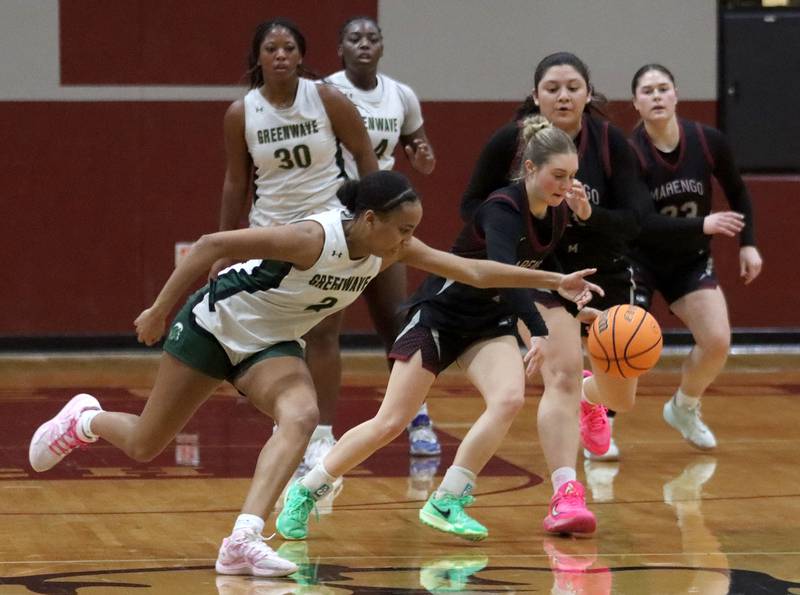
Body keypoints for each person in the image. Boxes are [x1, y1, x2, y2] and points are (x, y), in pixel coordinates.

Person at [28, 170, 601, 576]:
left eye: (413, 232)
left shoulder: (389, 248)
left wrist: (555, 282)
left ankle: (243, 539)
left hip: (272, 343)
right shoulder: (311, 237)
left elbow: (475, 270)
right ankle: (87, 420)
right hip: (214, 325)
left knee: (300, 417)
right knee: (148, 444)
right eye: (401, 229)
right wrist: (158, 310)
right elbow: (207, 246)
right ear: (370, 219)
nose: (408, 241)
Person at [274, 116, 604, 542]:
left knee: (507, 399)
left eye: (572, 176)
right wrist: (538, 327)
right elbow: (504, 273)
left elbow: (535, 270)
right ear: (529, 170)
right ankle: (307, 489)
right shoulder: (501, 209)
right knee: (391, 421)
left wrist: (568, 303)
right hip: (441, 315)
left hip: (488, 322)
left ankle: (449, 499)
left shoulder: (556, 215)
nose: (565, 185)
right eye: (558, 175)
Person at [459, 52, 654, 526]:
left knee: (620, 395)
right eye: (552, 87)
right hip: (539, 268)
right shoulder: (510, 142)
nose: (563, 95)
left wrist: (589, 217)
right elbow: (471, 205)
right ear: (535, 96)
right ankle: (567, 494)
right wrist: (511, 231)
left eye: (572, 87)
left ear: (589, 94)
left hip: (600, 271)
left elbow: (637, 221)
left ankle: (594, 398)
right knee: (561, 374)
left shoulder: (610, 143)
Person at [212, 18, 378, 475]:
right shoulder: (241, 112)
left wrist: (374, 212)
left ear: (301, 55)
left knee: (325, 332)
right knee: (274, 335)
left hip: (329, 230)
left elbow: (364, 154)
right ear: (259, 57)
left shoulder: (325, 98)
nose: (281, 55)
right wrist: (226, 246)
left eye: (289, 47)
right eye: (272, 48)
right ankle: (288, 422)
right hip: (271, 233)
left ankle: (322, 436)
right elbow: (235, 181)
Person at [629, 63, 762, 449]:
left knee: (718, 341)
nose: (656, 96)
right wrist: (704, 224)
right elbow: (642, 222)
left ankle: (684, 406)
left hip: (688, 261)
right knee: (626, 345)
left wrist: (748, 243)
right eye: (647, 91)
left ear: (675, 95)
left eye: (663, 88)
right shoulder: (630, 153)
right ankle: (602, 419)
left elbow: (738, 192)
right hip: (640, 260)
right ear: (636, 103)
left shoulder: (707, 141)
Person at [326, 15, 440, 457]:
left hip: (385, 221)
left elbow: (421, 153)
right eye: (354, 38)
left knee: (396, 320)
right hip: (338, 216)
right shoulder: (326, 92)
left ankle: (418, 416)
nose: (364, 44)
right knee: (322, 329)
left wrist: (424, 158)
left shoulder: (401, 95)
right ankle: (317, 435)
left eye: (372, 38)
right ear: (341, 48)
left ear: (382, 46)